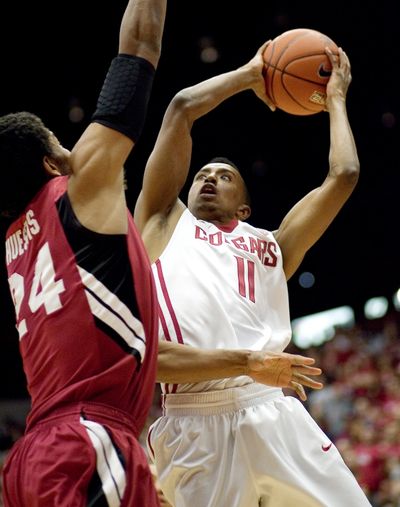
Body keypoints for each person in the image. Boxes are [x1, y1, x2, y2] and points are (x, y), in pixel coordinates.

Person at [134, 38, 373, 506]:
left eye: (224, 175)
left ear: (243, 207)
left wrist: (337, 101)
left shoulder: (273, 246)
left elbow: (343, 174)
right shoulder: (163, 221)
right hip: (191, 420)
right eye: (203, 172)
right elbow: (181, 108)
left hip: (270, 407)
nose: (208, 177)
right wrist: (252, 73)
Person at [0, 0, 167, 505]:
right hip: (86, 439)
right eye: (60, 139)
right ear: (53, 160)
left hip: (35, 455)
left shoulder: (14, 241)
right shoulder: (79, 190)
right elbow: (139, 44)